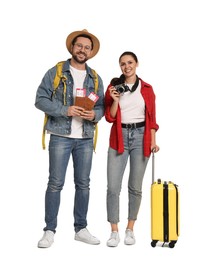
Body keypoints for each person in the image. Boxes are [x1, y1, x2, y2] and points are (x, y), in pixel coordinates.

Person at [35, 29, 104, 248]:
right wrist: (66, 110)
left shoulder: (95, 77)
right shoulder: (56, 72)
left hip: (85, 138)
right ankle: (49, 230)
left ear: (91, 52)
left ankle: (81, 229)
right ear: (72, 48)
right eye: (79, 46)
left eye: (86, 47)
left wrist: (95, 115)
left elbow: (101, 106)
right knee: (55, 184)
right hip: (60, 137)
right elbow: (40, 100)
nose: (82, 50)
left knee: (83, 184)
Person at [104, 51, 159, 247]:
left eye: (129, 62)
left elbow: (152, 119)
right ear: (120, 67)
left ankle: (130, 229)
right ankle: (114, 231)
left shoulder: (147, 88)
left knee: (135, 187)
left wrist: (153, 140)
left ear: (136, 64)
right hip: (119, 137)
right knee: (113, 187)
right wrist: (115, 100)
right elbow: (109, 117)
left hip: (140, 137)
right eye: (122, 64)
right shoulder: (113, 87)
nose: (126, 66)